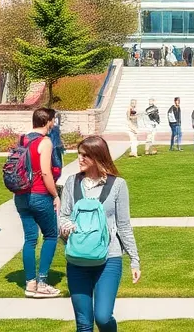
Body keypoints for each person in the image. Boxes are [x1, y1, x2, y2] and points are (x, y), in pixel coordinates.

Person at [59, 136, 140, 331]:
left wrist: (134, 260)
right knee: (84, 322)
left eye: (85, 155)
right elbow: (63, 216)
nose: (79, 159)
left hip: (109, 259)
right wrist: (65, 227)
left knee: (103, 317)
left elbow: (124, 225)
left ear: (97, 157)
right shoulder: (72, 182)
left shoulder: (118, 185)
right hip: (78, 259)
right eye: (79, 154)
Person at [15, 107, 61, 298]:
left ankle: (30, 283)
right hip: (39, 194)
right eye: (53, 120)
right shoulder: (45, 142)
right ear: (47, 121)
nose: (54, 124)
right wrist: (56, 195)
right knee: (51, 235)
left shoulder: (23, 139)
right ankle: (42, 282)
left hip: (21, 195)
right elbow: (45, 172)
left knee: (30, 239)